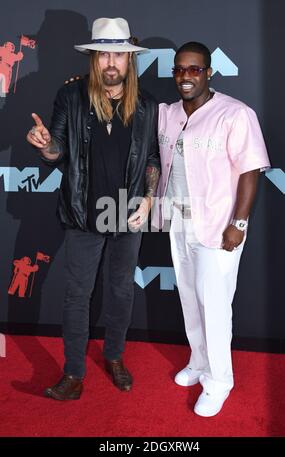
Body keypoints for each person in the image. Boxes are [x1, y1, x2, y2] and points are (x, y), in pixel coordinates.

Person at [26, 17, 160, 400]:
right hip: (84, 212)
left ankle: (115, 357)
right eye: (104, 53)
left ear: (129, 59)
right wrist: (44, 145)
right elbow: (57, 153)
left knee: (121, 292)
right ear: (94, 58)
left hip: (127, 210)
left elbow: (152, 156)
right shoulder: (70, 96)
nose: (111, 62)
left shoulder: (147, 104)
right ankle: (73, 373)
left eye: (118, 53)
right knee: (77, 294)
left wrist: (148, 199)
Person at [153, 41, 270, 416]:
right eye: (180, 70)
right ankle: (199, 362)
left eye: (195, 69)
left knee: (215, 306)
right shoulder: (168, 114)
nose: (186, 76)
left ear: (208, 72)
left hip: (220, 225)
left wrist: (239, 223)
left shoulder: (235, 114)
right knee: (189, 297)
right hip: (180, 220)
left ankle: (220, 381)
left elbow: (251, 171)